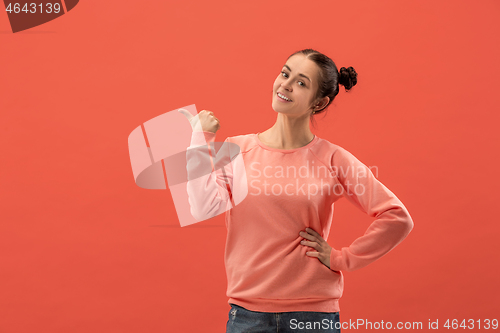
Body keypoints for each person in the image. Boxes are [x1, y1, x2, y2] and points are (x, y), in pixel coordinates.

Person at [180, 48, 414, 333]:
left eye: (301, 83)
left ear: (319, 102)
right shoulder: (239, 149)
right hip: (248, 314)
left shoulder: (332, 159)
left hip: (313, 316)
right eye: (285, 73)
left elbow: (397, 217)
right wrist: (199, 141)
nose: (285, 85)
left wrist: (341, 258)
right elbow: (202, 207)